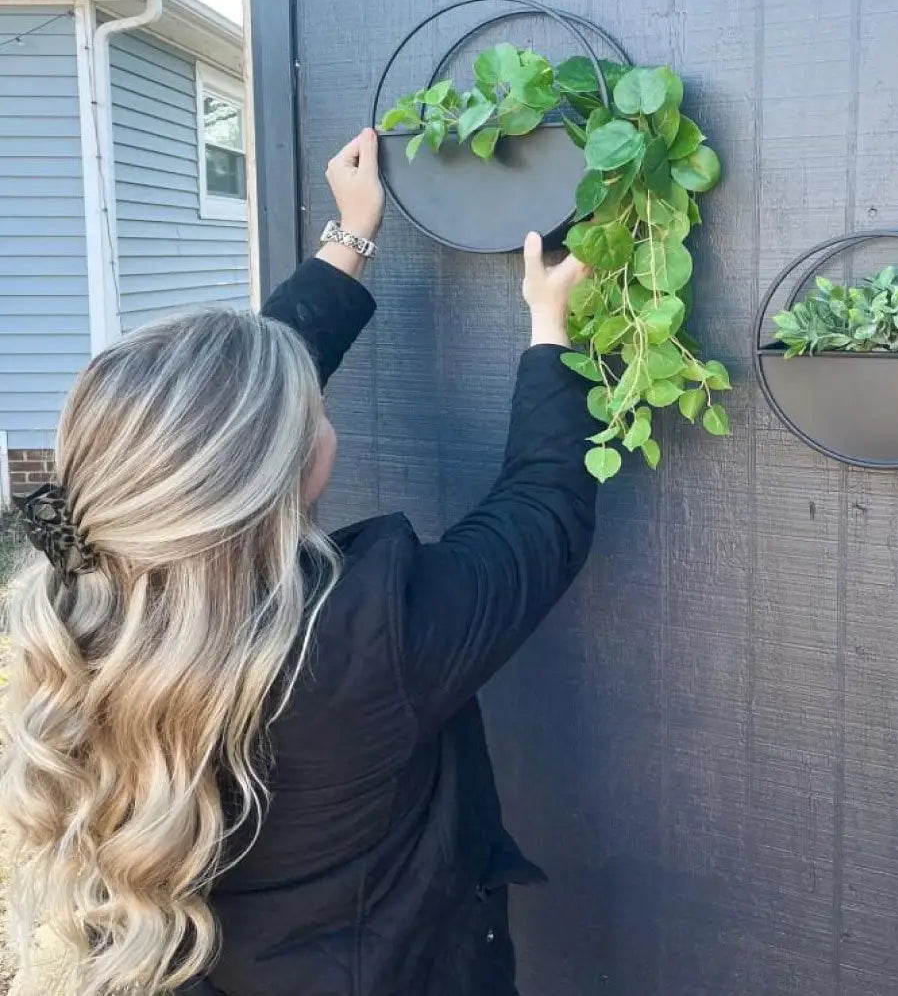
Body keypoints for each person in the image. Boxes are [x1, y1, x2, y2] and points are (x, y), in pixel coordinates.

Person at [2, 128, 598, 996]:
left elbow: (219, 422)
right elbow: (542, 515)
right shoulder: (363, 645)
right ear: (281, 470)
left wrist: (347, 240)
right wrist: (553, 328)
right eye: (309, 413)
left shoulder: (93, 602)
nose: (320, 416)